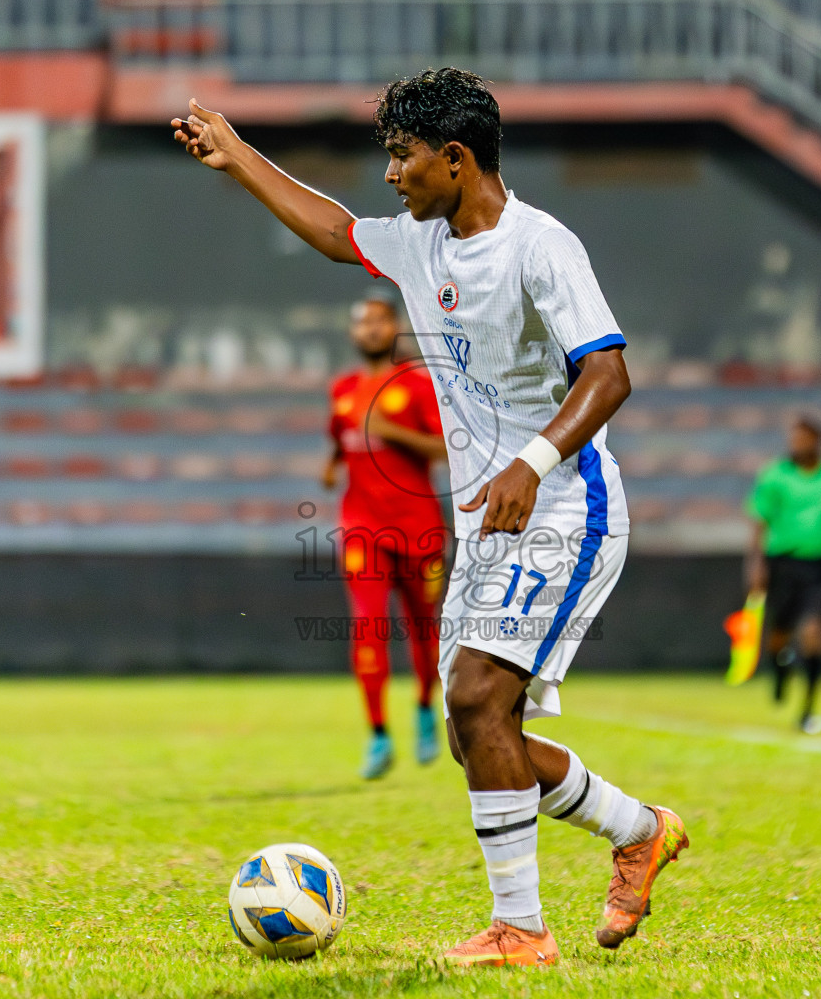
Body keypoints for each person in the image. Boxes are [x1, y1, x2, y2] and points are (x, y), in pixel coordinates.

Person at [173, 67, 687, 967]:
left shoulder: (541, 246)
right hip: (491, 520)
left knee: (476, 697)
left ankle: (521, 931)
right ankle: (637, 828)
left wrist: (533, 461)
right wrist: (241, 158)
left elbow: (608, 375)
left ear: (455, 159)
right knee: (477, 731)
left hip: (567, 504)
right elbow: (337, 231)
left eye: (402, 157)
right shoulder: (422, 241)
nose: (390, 176)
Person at [323, 295, 449, 779]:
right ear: (353, 333)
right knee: (368, 625)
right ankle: (377, 734)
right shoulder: (343, 389)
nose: (369, 329)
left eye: (378, 321)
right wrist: (332, 465)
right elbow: (339, 437)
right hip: (362, 527)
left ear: (393, 326)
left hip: (418, 527)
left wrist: (392, 432)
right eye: (361, 322)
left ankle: (423, 706)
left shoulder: (417, 386)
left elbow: (444, 448)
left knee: (423, 627)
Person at [745, 414, 821, 733]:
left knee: (813, 633)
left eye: (802, 438)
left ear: (817, 440)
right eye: (792, 438)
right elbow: (759, 520)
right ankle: (780, 670)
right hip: (783, 564)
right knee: (780, 633)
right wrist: (756, 565)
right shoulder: (776, 475)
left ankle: (808, 710)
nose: (795, 444)